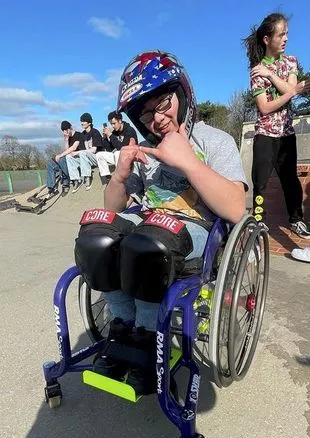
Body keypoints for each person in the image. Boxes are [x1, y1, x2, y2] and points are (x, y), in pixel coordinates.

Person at [75, 50, 247, 394]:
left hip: (194, 228)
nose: (158, 117)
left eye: (163, 103)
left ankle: (150, 335)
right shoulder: (144, 151)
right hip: (147, 224)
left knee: (146, 247)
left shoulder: (213, 141)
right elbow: (114, 207)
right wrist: (121, 176)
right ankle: (123, 328)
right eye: (147, 113)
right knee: (98, 235)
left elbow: (235, 208)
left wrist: (188, 163)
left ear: (181, 95)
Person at [243, 12, 310, 237]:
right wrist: (293, 90)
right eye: (281, 35)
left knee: (290, 179)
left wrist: (271, 75)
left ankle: (296, 220)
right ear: (266, 39)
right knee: (260, 183)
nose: (286, 39)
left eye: (287, 34)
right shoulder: (256, 70)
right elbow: (265, 107)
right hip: (265, 134)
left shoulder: (289, 62)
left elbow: (288, 90)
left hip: (287, 132)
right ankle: (259, 224)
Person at [96, 111, 138, 184]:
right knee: (99, 155)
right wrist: (105, 138)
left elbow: (122, 148)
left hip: (131, 156)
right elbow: (110, 149)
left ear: (120, 121)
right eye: (111, 124)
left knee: (117, 153)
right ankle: (107, 179)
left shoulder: (129, 130)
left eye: (114, 123)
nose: (112, 126)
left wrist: (111, 135)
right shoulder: (115, 132)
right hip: (119, 157)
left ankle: (120, 178)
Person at [66, 113, 103, 192]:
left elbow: (94, 150)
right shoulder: (82, 134)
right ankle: (76, 179)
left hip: (96, 158)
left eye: (84, 121)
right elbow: (81, 151)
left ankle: (87, 177)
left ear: (89, 123)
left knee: (82, 153)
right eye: (81, 121)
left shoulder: (95, 132)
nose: (82, 123)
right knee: (68, 157)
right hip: (86, 159)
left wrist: (78, 152)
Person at [45, 121, 83, 197]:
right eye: (63, 131)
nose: (65, 132)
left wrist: (61, 155)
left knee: (62, 159)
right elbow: (66, 149)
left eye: (66, 130)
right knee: (50, 164)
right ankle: (52, 188)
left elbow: (73, 148)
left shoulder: (79, 135)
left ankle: (66, 183)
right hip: (67, 158)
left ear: (70, 128)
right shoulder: (67, 137)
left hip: (76, 158)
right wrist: (66, 140)